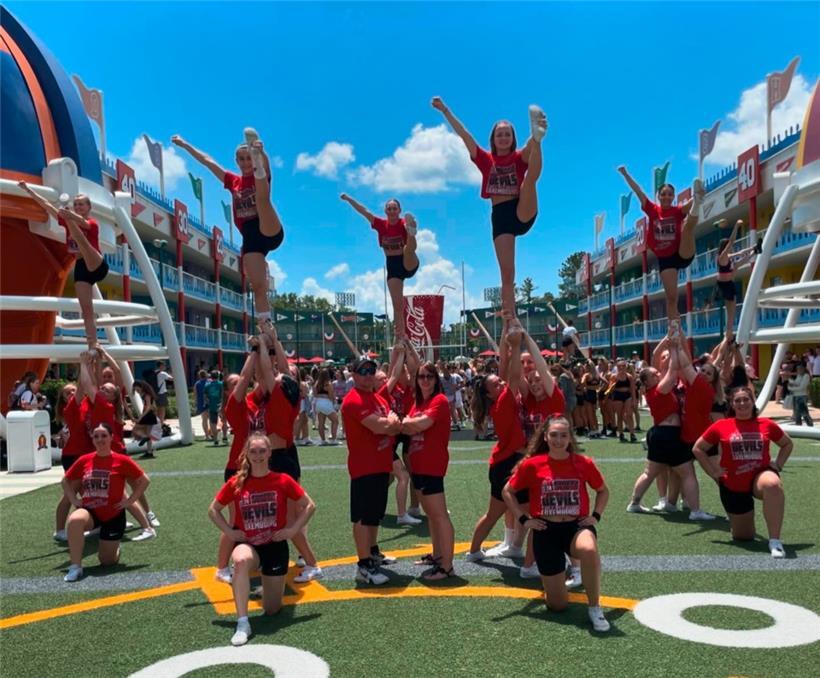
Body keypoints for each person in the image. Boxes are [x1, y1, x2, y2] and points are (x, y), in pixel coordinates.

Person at [432, 96, 547, 318]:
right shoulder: (485, 160)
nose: (503, 138)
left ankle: (538, 137)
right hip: (501, 217)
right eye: (499, 134)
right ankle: (509, 318)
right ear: (493, 139)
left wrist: (535, 140)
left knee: (529, 179)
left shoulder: (517, 156)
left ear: (512, 138)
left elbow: (529, 156)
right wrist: (445, 110)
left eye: (507, 134)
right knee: (507, 272)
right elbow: (464, 135)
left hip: (523, 208)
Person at [503, 415, 611, 632]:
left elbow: (603, 491)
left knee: (589, 549)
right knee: (558, 605)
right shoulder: (533, 465)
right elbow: (508, 491)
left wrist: (596, 516)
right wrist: (524, 519)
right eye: (554, 435)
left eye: (563, 435)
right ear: (546, 437)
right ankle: (554, 587)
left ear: (570, 438)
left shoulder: (584, 463)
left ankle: (595, 607)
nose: (559, 440)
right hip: (545, 530)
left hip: (575, 527)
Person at [208, 433, 316, 646]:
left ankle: (265, 588)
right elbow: (213, 510)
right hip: (248, 545)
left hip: (275, 545)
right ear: (247, 454)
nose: (257, 455)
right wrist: (230, 533)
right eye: (253, 451)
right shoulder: (236, 482)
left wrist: (292, 529)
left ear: (269, 453)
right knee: (240, 561)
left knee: (272, 609)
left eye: (262, 451)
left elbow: (310, 505)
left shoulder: (282, 480)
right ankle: (242, 622)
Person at [172, 131, 283, 330]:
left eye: (249, 158)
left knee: (262, 198)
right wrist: (184, 144)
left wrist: (261, 154)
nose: (245, 162)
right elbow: (207, 161)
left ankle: (259, 163)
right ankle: (266, 324)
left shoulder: (261, 170)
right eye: (242, 159)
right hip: (251, 237)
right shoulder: (233, 181)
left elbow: (267, 167)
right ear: (237, 161)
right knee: (257, 286)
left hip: (268, 226)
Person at [693, 386, 794, 558]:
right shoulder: (722, 425)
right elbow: (698, 448)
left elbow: (787, 444)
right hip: (733, 484)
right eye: (737, 400)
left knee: (773, 484)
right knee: (744, 536)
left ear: (752, 401)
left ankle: (775, 541)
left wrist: (778, 465)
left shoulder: (767, 424)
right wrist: (713, 471)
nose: (742, 403)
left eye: (746, 399)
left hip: (759, 476)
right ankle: (739, 522)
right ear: (731, 404)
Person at [18, 183, 108, 352]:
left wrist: (70, 217)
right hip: (82, 267)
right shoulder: (67, 219)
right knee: (86, 309)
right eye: (76, 204)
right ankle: (92, 343)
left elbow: (83, 223)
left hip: (96, 264)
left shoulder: (92, 223)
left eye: (81, 204)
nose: (78, 206)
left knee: (81, 241)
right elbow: (47, 206)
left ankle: (93, 342)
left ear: (89, 207)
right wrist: (29, 190)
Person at [466, 324, 528, 561]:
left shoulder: (499, 401)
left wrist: (506, 343)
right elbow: (512, 376)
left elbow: (506, 375)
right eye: (496, 384)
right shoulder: (502, 404)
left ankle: (497, 547)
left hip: (504, 460)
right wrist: (514, 345)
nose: (501, 384)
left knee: (501, 511)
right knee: (504, 512)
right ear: (490, 393)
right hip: (506, 464)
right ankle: (478, 551)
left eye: (500, 383)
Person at [617, 167, 703, 332]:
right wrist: (626, 174)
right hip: (666, 260)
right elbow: (638, 191)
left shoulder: (677, 210)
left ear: (673, 197)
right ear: (659, 196)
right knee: (671, 298)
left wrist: (698, 196)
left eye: (670, 194)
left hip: (682, 252)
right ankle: (674, 328)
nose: (666, 197)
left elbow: (687, 206)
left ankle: (698, 202)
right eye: (663, 194)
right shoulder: (652, 209)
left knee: (688, 228)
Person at [61, 423, 151, 582]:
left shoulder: (121, 460)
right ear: (92, 439)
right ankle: (75, 566)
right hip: (90, 512)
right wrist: (74, 499)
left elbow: (144, 480)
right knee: (74, 520)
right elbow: (65, 480)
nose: (100, 439)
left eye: (103, 436)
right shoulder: (84, 460)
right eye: (96, 436)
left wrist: (130, 500)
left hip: (114, 515)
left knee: (107, 561)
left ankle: (115, 548)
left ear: (111, 437)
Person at [341, 357, 402, 585]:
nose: (368, 375)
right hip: (364, 467)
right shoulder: (353, 400)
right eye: (362, 371)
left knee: (375, 514)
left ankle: (373, 551)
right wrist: (390, 423)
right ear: (354, 375)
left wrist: (390, 423)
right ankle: (363, 564)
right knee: (362, 517)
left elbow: (391, 422)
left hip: (380, 464)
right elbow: (383, 426)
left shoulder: (376, 398)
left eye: (371, 370)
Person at [400, 361, 456, 579]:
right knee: (431, 516)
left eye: (429, 377)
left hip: (432, 465)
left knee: (439, 515)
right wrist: (408, 422)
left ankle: (447, 566)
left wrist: (406, 421)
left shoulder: (439, 400)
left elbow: (421, 424)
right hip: (419, 466)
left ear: (436, 380)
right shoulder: (417, 403)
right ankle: (438, 555)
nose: (424, 380)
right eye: (421, 376)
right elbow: (411, 425)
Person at [340, 194, 419, 338]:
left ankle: (411, 232)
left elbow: (411, 249)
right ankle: (400, 336)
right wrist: (348, 199)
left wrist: (408, 231)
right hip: (393, 266)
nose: (392, 211)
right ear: (385, 211)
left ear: (399, 210)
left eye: (394, 208)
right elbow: (363, 211)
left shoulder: (402, 223)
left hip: (408, 261)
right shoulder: (380, 224)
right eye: (389, 208)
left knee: (408, 249)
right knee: (397, 304)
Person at [376, 344, 422, 526]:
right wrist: (400, 353)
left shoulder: (401, 390)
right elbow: (395, 374)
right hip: (386, 440)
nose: (384, 380)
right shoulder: (382, 392)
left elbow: (407, 370)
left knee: (397, 475)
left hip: (396, 436)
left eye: (383, 378)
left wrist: (403, 350)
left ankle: (406, 508)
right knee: (402, 476)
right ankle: (401, 514)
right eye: (380, 379)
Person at [714, 219, 761, 338]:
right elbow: (731, 242)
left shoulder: (728, 257)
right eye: (729, 247)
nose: (732, 248)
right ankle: (728, 331)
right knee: (730, 309)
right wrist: (736, 226)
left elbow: (740, 254)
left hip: (729, 283)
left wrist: (753, 250)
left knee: (737, 265)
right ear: (725, 248)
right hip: (723, 285)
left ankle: (756, 251)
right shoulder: (722, 257)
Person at [131, 380, 162, 458]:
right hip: (149, 415)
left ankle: (146, 439)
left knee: (135, 430)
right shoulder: (146, 395)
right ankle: (149, 451)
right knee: (148, 434)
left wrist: (141, 417)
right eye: (136, 390)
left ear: (141, 387)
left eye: (137, 390)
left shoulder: (147, 395)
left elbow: (148, 407)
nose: (137, 392)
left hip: (148, 415)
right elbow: (149, 406)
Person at [314, 368, 340, 445]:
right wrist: (335, 403)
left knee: (321, 423)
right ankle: (333, 440)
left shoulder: (317, 383)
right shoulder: (328, 383)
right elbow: (331, 396)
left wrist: (322, 395)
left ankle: (323, 440)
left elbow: (315, 394)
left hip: (318, 403)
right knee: (335, 420)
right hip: (326, 403)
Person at [204, 371, 225, 446]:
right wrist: (222, 403)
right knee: (224, 421)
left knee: (213, 423)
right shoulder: (221, 384)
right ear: (218, 376)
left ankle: (215, 439)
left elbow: (205, 396)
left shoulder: (207, 385)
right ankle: (224, 436)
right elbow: (223, 395)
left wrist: (208, 403)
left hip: (211, 406)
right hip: (220, 405)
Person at [193, 370, 210, 440]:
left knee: (204, 419)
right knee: (211, 419)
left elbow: (195, 394)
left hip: (201, 402)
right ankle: (212, 433)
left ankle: (206, 435)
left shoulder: (197, 384)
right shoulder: (209, 382)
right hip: (210, 402)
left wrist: (196, 403)